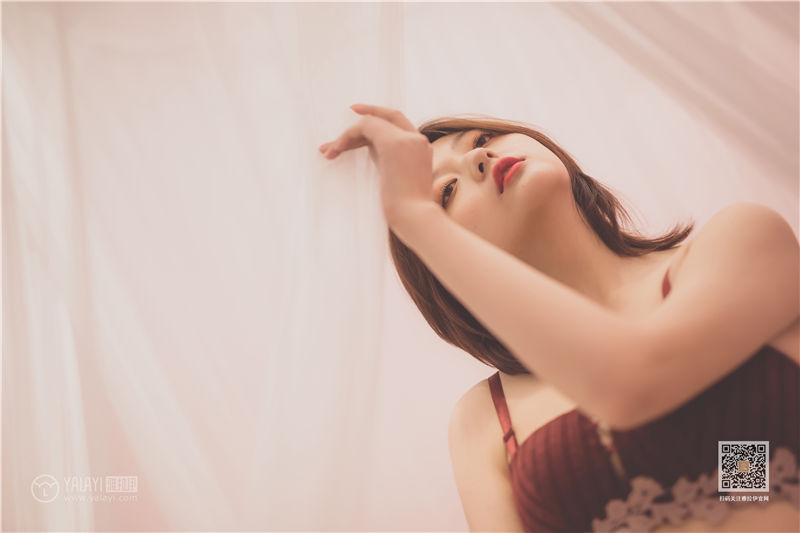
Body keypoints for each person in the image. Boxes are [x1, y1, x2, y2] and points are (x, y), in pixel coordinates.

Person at [318, 104, 800, 532]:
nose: (478, 158)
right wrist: (411, 219)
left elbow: (634, 382)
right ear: (442, 267)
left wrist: (415, 213)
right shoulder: (483, 418)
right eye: (446, 192)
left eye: (481, 139)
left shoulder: (738, 240)